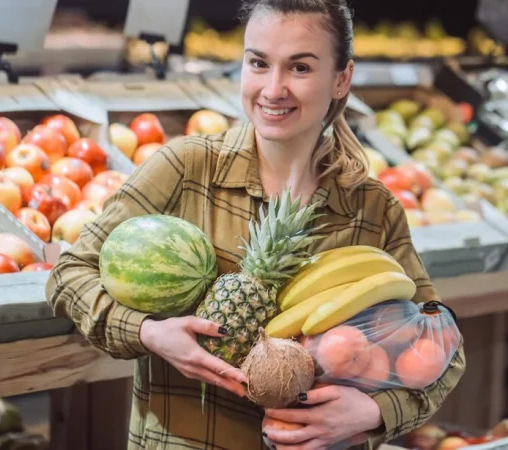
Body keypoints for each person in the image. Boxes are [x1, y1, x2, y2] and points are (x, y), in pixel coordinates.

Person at [45, 0, 466, 448]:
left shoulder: (371, 209)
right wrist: (150, 333)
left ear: (342, 78)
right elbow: (69, 275)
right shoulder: (188, 169)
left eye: (300, 68)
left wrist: (375, 412)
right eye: (258, 63)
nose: (273, 88)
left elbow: (444, 348)